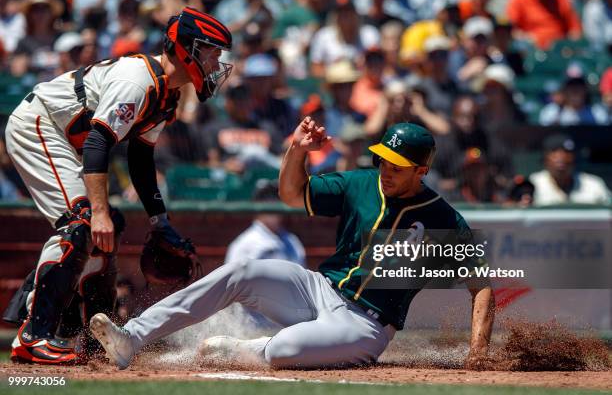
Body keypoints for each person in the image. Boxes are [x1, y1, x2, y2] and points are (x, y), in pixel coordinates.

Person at [88, 121, 495, 370]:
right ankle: (133, 338)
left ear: (422, 171)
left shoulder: (444, 220)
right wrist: (297, 151)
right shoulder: (359, 183)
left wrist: (478, 350)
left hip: (365, 324)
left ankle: (247, 349)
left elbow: (483, 287)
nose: (385, 171)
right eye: (382, 161)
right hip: (317, 288)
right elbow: (290, 194)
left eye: (398, 166)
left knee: (285, 349)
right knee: (242, 271)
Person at [3, 7, 233, 365]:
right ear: (188, 47)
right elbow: (98, 143)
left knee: (106, 229)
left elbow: (140, 160)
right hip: (39, 124)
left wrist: (160, 221)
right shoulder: (138, 80)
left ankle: (90, 342)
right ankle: (33, 336)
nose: (217, 61)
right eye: (212, 51)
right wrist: (98, 212)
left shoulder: (166, 95)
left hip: (65, 136)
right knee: (83, 222)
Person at [529, 134, 611, 205]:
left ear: (574, 158)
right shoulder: (533, 183)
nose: (561, 157)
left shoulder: (593, 184)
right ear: (545, 158)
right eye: (554, 151)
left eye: (566, 152)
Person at [506, 0, 581, 50]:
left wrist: (569, 45)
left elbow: (574, 30)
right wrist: (526, 38)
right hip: (531, 51)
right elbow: (512, 30)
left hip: (559, 50)